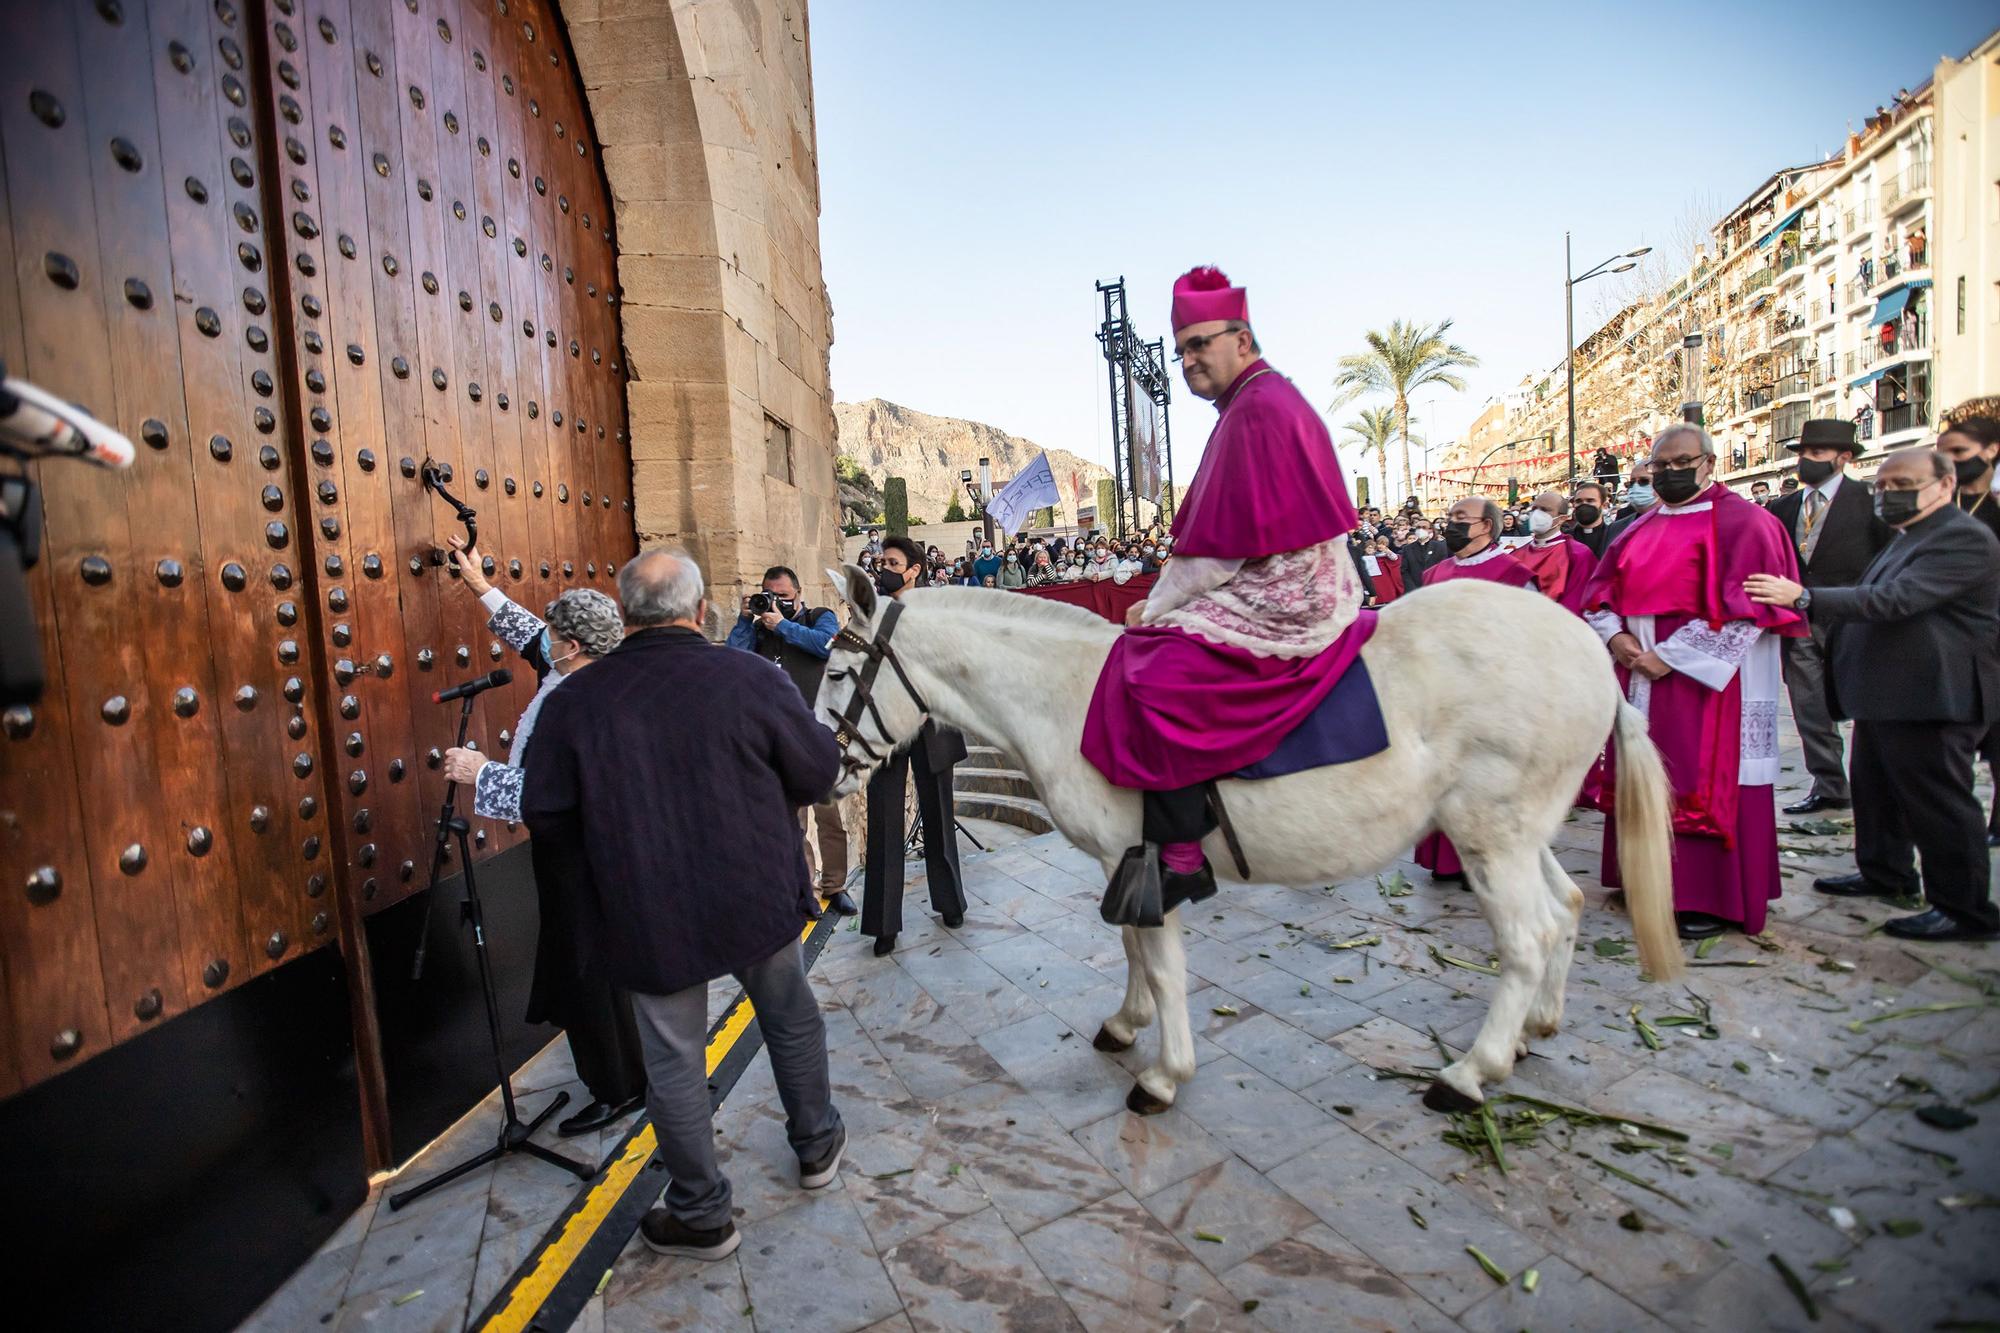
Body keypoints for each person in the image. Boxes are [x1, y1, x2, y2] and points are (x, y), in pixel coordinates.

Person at [522, 549, 845, 1261]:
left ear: (627, 615)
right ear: (701, 612)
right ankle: (817, 1146)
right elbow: (819, 770)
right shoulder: (753, 677)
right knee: (790, 1017)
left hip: (646, 906)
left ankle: (702, 1213)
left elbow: (543, 813)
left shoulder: (573, 702)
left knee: (673, 1058)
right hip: (756, 891)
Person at [1083, 266, 1372, 911]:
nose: (1187, 361)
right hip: (1291, 574)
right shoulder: (1255, 401)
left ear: (1242, 339)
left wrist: (1152, 611)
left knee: (1154, 665)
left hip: (1293, 589)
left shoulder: (1257, 409)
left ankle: (1182, 854)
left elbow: (1213, 554)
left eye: (1199, 344)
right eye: (1182, 349)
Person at [1748, 448, 2000, 942]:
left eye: (1903, 484)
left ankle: (1965, 910)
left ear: (1945, 485)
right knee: (1875, 790)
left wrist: (1803, 597)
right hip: (1889, 694)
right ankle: (1886, 871)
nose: (1888, 495)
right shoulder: (1912, 535)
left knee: (1940, 803)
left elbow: (1897, 600)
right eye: (1882, 486)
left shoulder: (1963, 538)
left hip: (1934, 696)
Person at [441, 543, 646, 1137]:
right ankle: (620, 1075)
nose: (547, 638)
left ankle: (619, 1087)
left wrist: (480, 772)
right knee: (582, 965)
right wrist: (481, 585)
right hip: (572, 855)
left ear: (575, 644)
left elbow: (563, 792)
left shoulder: (595, 706)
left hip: (586, 858)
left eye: (558, 633)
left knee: (590, 971)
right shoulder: (574, 670)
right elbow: (532, 633)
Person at [1577, 424, 1806, 940]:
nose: (1670, 474)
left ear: (1709, 463)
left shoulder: (1749, 524)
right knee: (1646, 771)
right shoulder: (1638, 527)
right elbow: (1600, 596)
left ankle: (1710, 896)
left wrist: (1673, 657)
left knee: (1702, 772)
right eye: (1661, 466)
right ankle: (1644, 881)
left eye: (1683, 463)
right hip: (1640, 674)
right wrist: (1616, 639)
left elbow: (1752, 607)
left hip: (1714, 681)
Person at [1763, 420, 1892, 816]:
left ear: (1844, 457)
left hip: (1854, 620)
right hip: (1798, 622)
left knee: (1868, 706)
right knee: (1809, 706)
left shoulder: (1869, 501)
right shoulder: (1781, 507)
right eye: (1803, 454)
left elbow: (1887, 561)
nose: (1806, 461)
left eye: (1816, 455)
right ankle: (1829, 784)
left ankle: (1880, 787)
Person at [1411, 497, 1536, 883]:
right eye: (1449, 518)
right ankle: (1448, 859)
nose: (1451, 524)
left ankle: (1484, 860)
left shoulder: (1513, 573)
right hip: (1442, 692)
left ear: (1486, 526)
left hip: (1490, 693)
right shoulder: (1435, 574)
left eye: (1461, 518)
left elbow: (1529, 636)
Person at [725, 565, 857, 916]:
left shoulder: (819, 617)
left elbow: (827, 646)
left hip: (817, 734)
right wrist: (744, 620)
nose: (777, 602)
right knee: (791, 822)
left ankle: (836, 885)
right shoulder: (758, 628)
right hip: (774, 737)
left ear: (798, 593)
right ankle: (805, 890)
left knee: (828, 816)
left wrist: (783, 625)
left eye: (783, 596)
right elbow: (734, 658)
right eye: (771, 595)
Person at [861, 536, 969, 956]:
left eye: (892, 561)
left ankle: (951, 903)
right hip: (886, 728)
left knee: (939, 818)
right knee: (884, 821)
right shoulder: (870, 610)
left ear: (914, 569)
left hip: (930, 727)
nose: (883, 567)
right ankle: (883, 925)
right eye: (881, 560)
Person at [1938, 407, 2000, 842]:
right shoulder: (1943, 505)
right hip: (1951, 641)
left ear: (1992, 451)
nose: (1953, 463)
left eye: (1960, 452)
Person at [1513, 489, 1597, 613]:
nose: (1536, 514)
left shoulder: (1578, 554)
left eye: (1544, 510)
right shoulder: (1516, 554)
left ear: (1562, 518)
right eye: (1534, 509)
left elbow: (1577, 599)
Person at [1568, 480, 1613, 558]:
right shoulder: (1566, 539)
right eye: (1579, 501)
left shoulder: (1614, 537)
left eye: (1590, 501)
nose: (1584, 504)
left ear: (1604, 505)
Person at [1399, 519, 1447, 587]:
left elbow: (1442, 568)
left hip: (1435, 587)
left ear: (1430, 530)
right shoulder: (1407, 549)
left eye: (1424, 527)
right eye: (1418, 527)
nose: (1420, 530)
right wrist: (1412, 588)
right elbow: (1404, 571)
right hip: (1415, 589)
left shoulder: (1439, 546)